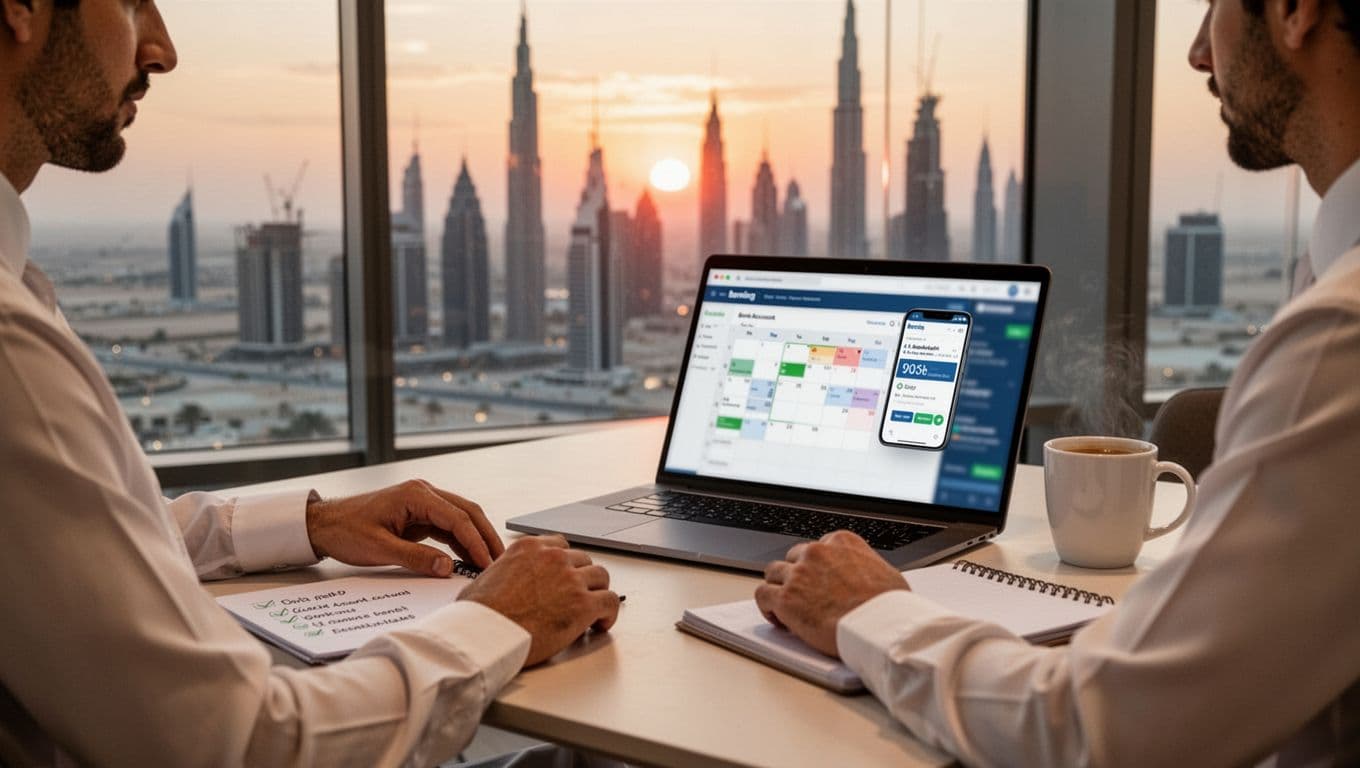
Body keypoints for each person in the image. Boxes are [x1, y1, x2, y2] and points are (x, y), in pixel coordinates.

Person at [0, 1, 620, 766]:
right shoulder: (8, 348)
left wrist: (315, 524)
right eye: (131, 1)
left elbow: (86, 544)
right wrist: (497, 620)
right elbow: (240, 744)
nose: (160, 48)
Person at [756, 0, 1360, 765]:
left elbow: (1098, 732)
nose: (1199, 52)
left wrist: (872, 612)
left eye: (1212, 7)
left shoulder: (1341, 340)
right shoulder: (1330, 289)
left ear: (1293, 11)